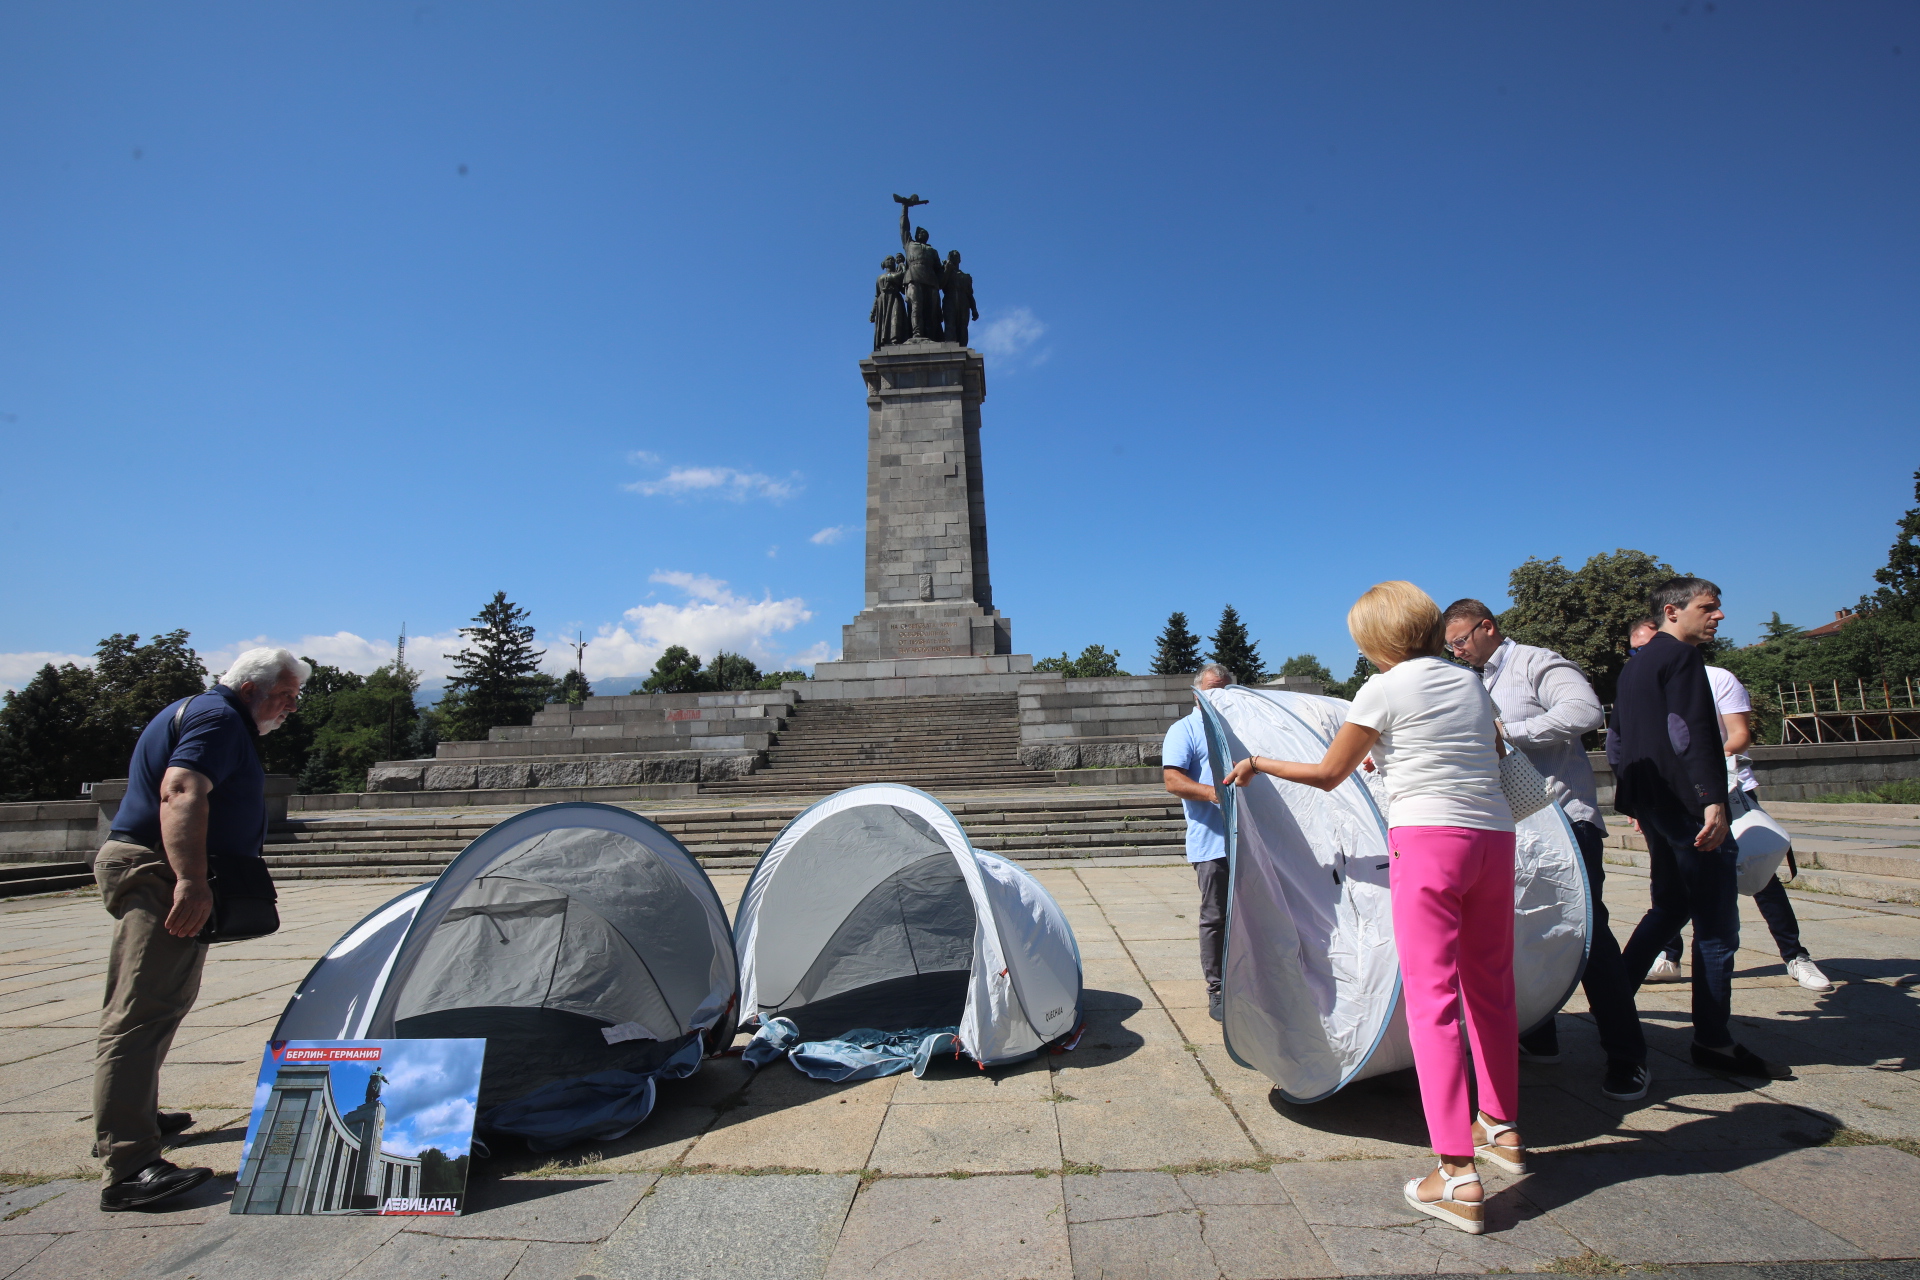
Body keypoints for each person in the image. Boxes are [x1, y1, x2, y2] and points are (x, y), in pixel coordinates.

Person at [1226, 582, 1520, 1236]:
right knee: (1491, 988)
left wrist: (1257, 763)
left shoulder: (1382, 690)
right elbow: (1489, 753)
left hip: (1430, 841)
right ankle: (1502, 1129)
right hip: (1495, 839)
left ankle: (1454, 1172)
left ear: (1376, 639)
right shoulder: (1468, 682)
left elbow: (1330, 774)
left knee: (1433, 1000)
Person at [92, 647, 307, 1211]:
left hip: (165, 868)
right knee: (141, 1010)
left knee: (164, 999)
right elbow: (181, 790)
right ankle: (129, 1165)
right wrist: (189, 879)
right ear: (250, 688)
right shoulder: (217, 718)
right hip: (160, 870)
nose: (291, 706)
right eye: (285, 694)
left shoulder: (213, 715)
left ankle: (137, 1110)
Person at [1441, 600, 1651, 1102]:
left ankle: (1628, 1056)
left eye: (1461, 640)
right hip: (1510, 827)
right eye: (1450, 645)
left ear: (1487, 626)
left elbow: (1582, 712)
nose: (1457, 650)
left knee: (1588, 936)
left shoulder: (1536, 663)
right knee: (1522, 931)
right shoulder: (1471, 679)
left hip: (1564, 820)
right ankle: (1539, 1033)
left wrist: (1504, 736)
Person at [1613, 580, 1785, 1081]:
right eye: (1707, 608)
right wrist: (1712, 800)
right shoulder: (1683, 660)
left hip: (1652, 803)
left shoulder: (1635, 664)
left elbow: (1619, 740)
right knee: (1716, 927)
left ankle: (1614, 997)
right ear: (1672, 611)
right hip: (1687, 805)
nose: (1719, 616)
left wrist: (1635, 798)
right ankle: (1713, 1039)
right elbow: (1689, 732)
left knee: (1670, 905)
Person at [1621, 620, 1833, 993]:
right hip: (1671, 801)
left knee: (1758, 876)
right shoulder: (1642, 679)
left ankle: (1795, 955)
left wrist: (1706, 783)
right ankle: (1667, 958)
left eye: (1649, 646)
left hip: (1725, 793)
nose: (1644, 656)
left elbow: (1737, 735)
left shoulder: (1716, 678)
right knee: (1668, 886)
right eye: (1636, 651)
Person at [1163, 663, 1234, 1022]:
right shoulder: (1185, 729)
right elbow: (1173, 781)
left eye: (1224, 689)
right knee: (1216, 917)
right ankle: (1218, 989)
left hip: (1251, 841)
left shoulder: (1242, 727)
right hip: (1213, 843)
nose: (1218, 696)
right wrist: (1212, 793)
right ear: (1197, 694)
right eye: (1211, 690)